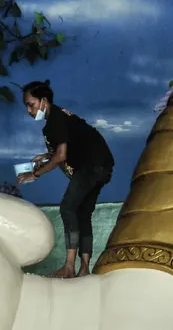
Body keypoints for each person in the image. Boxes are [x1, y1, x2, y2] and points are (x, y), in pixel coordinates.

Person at [16, 80, 114, 279]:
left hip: (91, 165)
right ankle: (84, 268)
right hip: (103, 165)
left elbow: (61, 156)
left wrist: (35, 174)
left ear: (43, 101)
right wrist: (45, 156)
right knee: (83, 213)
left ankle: (69, 267)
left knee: (67, 207)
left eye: (31, 104)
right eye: (26, 105)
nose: (28, 110)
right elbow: (70, 146)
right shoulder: (59, 116)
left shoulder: (55, 121)